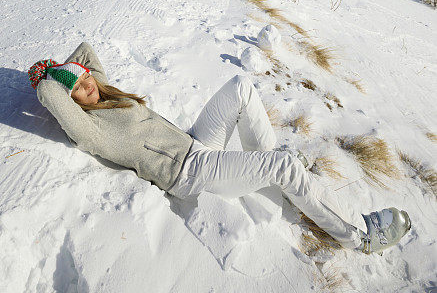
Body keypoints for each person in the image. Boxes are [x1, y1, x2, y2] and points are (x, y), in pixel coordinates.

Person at [28, 41, 411, 255]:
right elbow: (54, 96)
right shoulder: (92, 129)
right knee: (286, 168)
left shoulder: (106, 95)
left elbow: (87, 51)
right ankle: (359, 236)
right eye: (77, 89)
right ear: (70, 101)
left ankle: (281, 176)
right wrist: (49, 79)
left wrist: (66, 68)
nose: (87, 86)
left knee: (240, 88)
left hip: (195, 146)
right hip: (189, 174)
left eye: (84, 81)